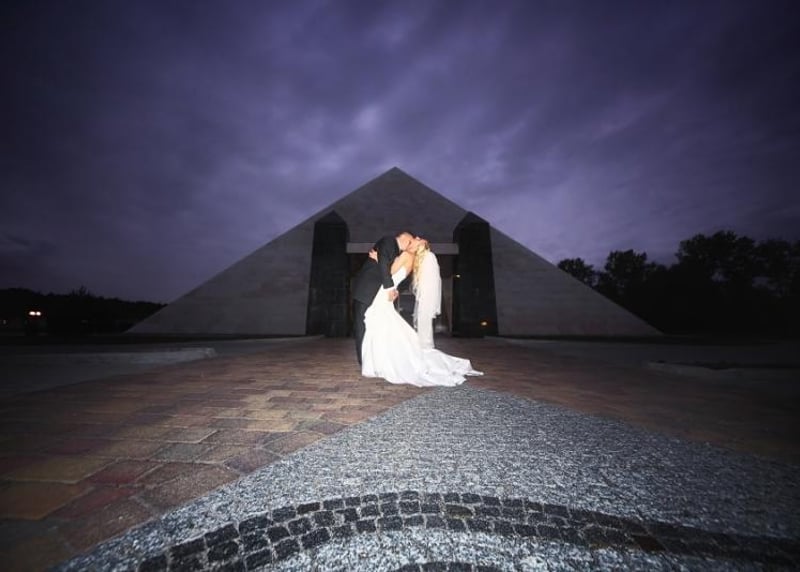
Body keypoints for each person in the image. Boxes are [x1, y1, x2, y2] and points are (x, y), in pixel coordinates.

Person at [361, 237, 482, 387]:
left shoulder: (407, 255)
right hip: (386, 293)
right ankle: (382, 362)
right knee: (383, 324)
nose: (416, 238)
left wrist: (378, 259)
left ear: (421, 246)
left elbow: (389, 272)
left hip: (383, 293)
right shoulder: (413, 259)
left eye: (418, 239)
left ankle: (383, 363)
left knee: (382, 324)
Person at [351, 231, 415, 365]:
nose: (409, 245)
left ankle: (374, 358)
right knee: (362, 325)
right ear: (403, 238)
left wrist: (395, 288)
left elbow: (389, 269)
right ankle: (364, 360)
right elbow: (384, 264)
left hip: (378, 293)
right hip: (366, 290)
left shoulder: (400, 254)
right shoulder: (389, 241)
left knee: (374, 325)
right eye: (410, 241)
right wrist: (390, 287)